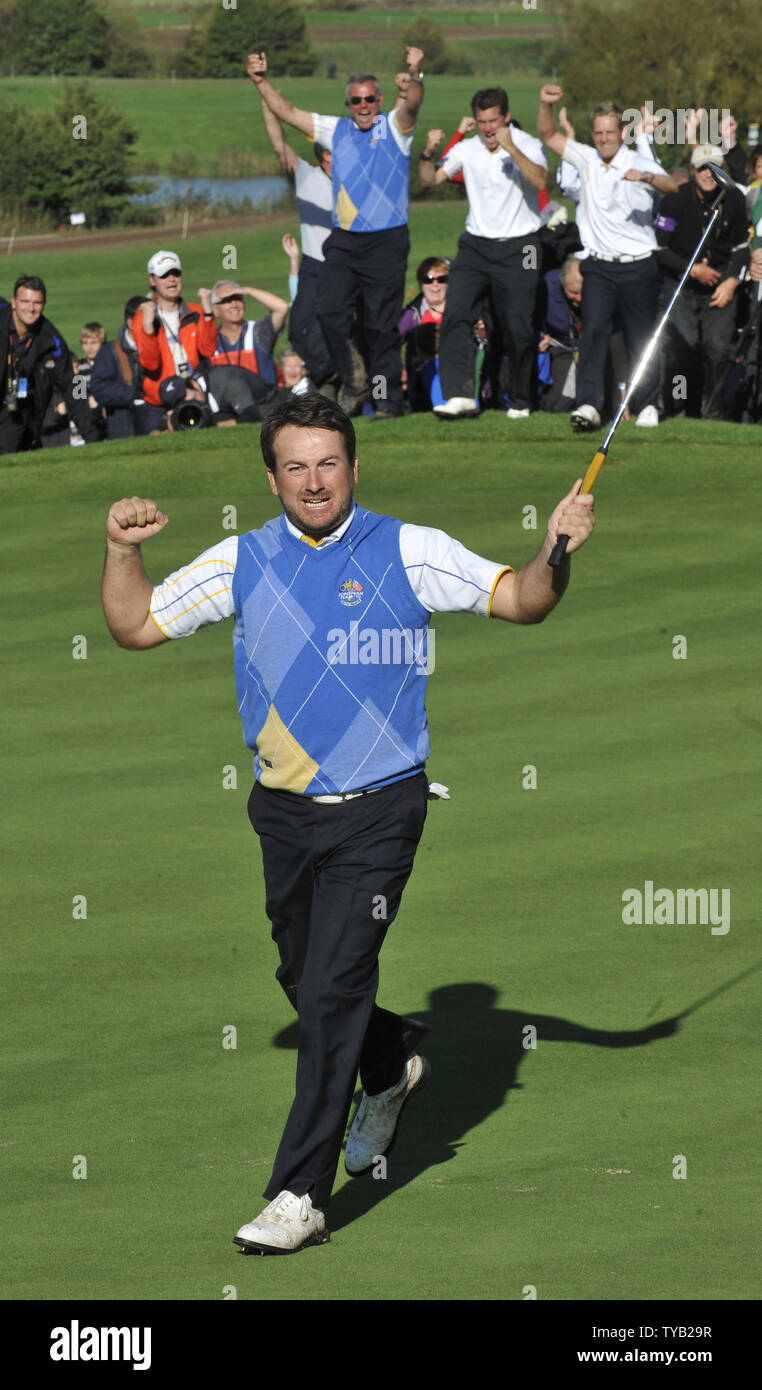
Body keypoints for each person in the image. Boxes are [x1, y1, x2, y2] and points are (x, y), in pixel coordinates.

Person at [100, 393, 596, 1255]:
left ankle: (299, 1195)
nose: (314, 480)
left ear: (355, 467)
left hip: (381, 810)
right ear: (271, 476)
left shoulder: (409, 549)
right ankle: (390, 1057)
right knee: (302, 974)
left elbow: (523, 600)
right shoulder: (241, 560)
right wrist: (120, 551)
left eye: (329, 462)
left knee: (330, 991)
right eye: (295, 465)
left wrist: (554, 546)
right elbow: (134, 625)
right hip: (283, 815)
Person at [248, 43, 425, 419]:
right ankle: (354, 379)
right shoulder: (336, 129)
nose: (363, 105)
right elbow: (288, 113)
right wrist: (261, 81)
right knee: (327, 310)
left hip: (387, 239)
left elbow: (411, 104)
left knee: (380, 326)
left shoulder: (394, 127)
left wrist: (415, 76)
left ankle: (387, 402)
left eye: (369, 99)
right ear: (349, 103)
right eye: (356, 100)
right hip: (345, 239)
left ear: (379, 100)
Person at [537, 86, 678, 432]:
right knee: (594, 332)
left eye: (609, 132)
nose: (603, 139)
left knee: (640, 337)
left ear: (622, 132)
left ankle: (646, 403)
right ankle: (588, 404)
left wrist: (644, 177)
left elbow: (673, 187)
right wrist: (546, 104)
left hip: (639, 264)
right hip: (599, 265)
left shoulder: (637, 160)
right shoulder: (585, 158)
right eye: (598, 133)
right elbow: (548, 134)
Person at [418, 87, 548, 420]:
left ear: (505, 117)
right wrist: (427, 153)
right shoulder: (467, 148)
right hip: (476, 245)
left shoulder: (526, 143)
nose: (488, 129)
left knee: (517, 326)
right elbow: (430, 180)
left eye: (493, 121)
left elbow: (539, 179)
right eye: (482, 122)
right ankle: (460, 396)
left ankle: (520, 400)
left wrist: (511, 148)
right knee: (456, 312)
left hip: (521, 245)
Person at [655, 146, 750, 419]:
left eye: (715, 168)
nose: (709, 174)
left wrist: (732, 280)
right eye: (702, 168)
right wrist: (692, 270)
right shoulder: (674, 200)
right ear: (693, 171)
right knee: (682, 348)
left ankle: (713, 412)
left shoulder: (733, 199)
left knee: (718, 348)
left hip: (720, 285)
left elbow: (741, 245)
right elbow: (660, 250)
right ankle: (680, 407)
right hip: (681, 284)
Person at [258, 98, 336, 388]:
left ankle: (344, 377)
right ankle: (326, 372)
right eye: (330, 156)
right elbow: (280, 145)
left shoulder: (355, 181)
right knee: (298, 328)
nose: (336, 162)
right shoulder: (307, 176)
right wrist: (269, 105)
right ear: (322, 157)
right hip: (314, 262)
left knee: (338, 325)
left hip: (346, 264)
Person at [0, 274, 94, 454]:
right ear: (13, 302)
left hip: (15, 411)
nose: (31, 308)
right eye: (25, 301)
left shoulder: (52, 339)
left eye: (37, 303)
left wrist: (92, 436)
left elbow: (75, 384)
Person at [131, 250, 217, 428]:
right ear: (152, 280)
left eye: (176, 273)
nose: (172, 279)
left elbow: (208, 350)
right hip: (160, 399)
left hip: (194, 393)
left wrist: (208, 313)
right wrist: (148, 327)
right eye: (164, 275)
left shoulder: (196, 311)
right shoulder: (142, 317)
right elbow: (150, 363)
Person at [90, 296, 167, 440]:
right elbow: (98, 388)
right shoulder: (110, 351)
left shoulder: (162, 345)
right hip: (124, 426)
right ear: (131, 322)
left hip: (160, 425)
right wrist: (135, 392)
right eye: (146, 318)